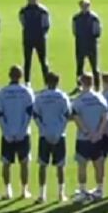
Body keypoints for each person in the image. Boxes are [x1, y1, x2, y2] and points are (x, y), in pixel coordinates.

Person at [0, 64, 35, 199]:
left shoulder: (2, 92)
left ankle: (8, 190)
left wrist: (5, 131)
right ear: (21, 76)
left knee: (6, 163)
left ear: (9, 75)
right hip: (23, 133)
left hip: (7, 132)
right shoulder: (26, 91)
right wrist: (22, 130)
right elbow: (29, 113)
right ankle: (24, 190)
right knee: (24, 162)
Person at [33, 71, 72, 203]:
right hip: (59, 135)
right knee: (60, 166)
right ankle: (61, 194)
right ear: (57, 82)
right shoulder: (62, 97)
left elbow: (36, 116)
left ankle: (41, 195)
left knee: (43, 165)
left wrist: (42, 130)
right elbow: (67, 115)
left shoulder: (40, 97)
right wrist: (60, 130)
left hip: (44, 135)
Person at [71, 73, 108, 202]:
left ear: (81, 83)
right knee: (98, 164)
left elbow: (76, 118)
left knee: (82, 165)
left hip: (83, 138)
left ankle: (82, 190)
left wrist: (86, 132)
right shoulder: (100, 98)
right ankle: (99, 190)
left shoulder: (78, 99)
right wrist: (98, 133)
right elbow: (105, 117)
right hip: (98, 138)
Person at [18, 0, 50, 86]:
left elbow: (46, 25)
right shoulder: (23, 11)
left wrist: (41, 34)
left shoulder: (43, 10)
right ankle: (27, 82)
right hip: (28, 38)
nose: (32, 0)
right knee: (27, 60)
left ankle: (47, 82)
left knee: (43, 61)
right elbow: (22, 22)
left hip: (40, 38)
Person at [72, 0, 102, 86]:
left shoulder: (94, 18)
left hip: (91, 45)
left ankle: (97, 86)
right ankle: (79, 85)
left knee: (95, 67)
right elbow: (74, 31)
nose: (84, 7)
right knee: (79, 67)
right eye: (82, 5)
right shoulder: (76, 18)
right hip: (80, 45)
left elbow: (97, 32)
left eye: (86, 5)